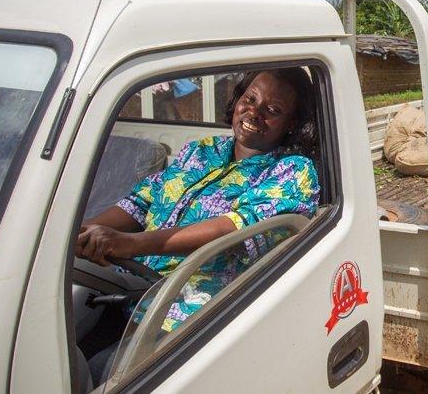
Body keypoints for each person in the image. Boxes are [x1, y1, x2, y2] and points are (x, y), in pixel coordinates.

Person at [76, 67, 321, 334]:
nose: (254, 113)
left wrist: (130, 244)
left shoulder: (293, 172)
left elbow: (236, 229)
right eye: (250, 99)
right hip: (123, 288)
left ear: (292, 123)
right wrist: (83, 233)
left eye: (272, 110)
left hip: (186, 318)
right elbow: (142, 201)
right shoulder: (203, 149)